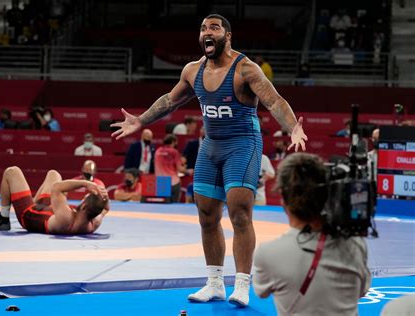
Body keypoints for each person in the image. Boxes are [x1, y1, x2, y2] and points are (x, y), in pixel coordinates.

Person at [111, 14, 307, 306]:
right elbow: (169, 100)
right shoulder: (192, 70)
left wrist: (293, 127)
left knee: (239, 213)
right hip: (211, 146)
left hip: (243, 144)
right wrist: (140, 120)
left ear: (228, 36)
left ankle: (241, 284)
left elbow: (274, 100)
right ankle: (214, 283)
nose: (206, 32)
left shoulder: (246, 69)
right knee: (206, 216)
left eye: (213, 28)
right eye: (203, 28)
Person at [253, 153, 371, 315]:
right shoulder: (355, 244)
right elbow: (362, 291)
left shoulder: (267, 253)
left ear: (283, 199)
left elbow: (261, 291)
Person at [0, 166, 109, 234]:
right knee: (53, 174)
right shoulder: (94, 223)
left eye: (84, 198)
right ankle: (32, 200)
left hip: (29, 214)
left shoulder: (67, 219)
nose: (82, 199)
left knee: (12, 171)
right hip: (49, 210)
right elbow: (106, 208)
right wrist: (103, 195)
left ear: (84, 207)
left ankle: (3, 219)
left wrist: (85, 183)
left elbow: (57, 188)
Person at [154, 134, 187, 203]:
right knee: (174, 206)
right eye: (176, 142)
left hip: (161, 181)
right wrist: (187, 169)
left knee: (161, 205)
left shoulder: (158, 151)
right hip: (173, 182)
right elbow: (180, 169)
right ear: (173, 141)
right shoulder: (174, 152)